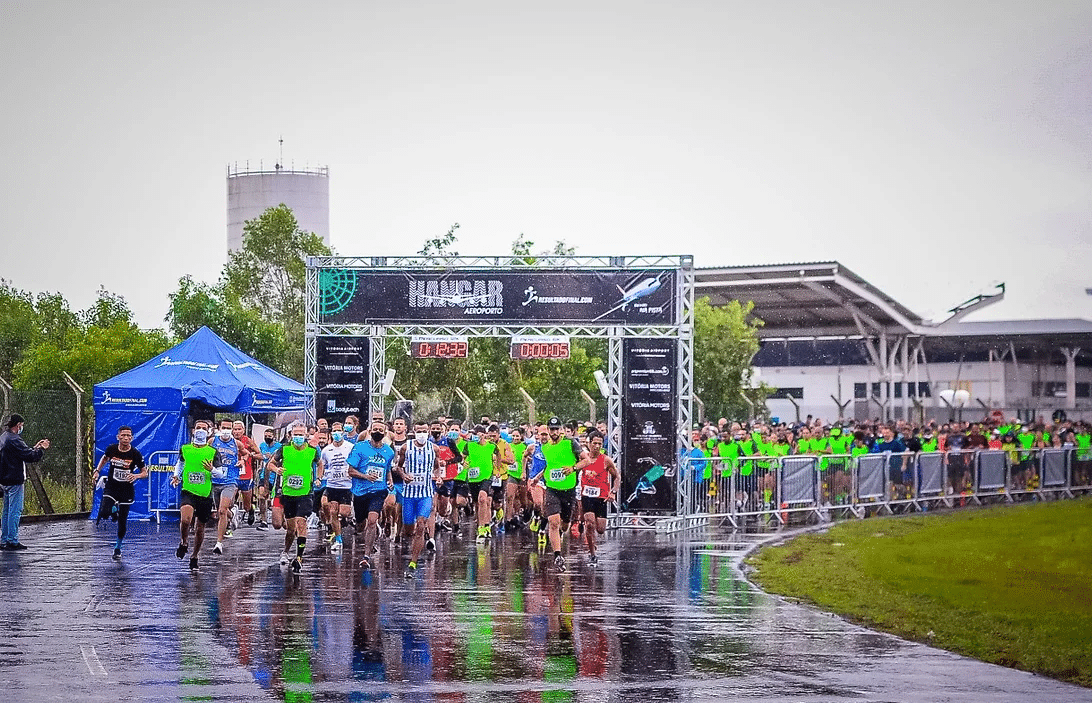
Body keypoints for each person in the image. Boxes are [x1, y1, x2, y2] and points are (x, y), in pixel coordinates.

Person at [267, 424, 323, 573]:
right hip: (287, 492)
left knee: (301, 523)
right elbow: (270, 464)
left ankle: (299, 558)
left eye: (301, 434)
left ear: (306, 435)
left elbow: (320, 463)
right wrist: (277, 469)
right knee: (290, 528)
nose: (299, 437)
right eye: (296, 434)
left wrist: (319, 478)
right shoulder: (284, 449)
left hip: (305, 493)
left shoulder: (312, 450)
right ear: (291, 435)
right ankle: (285, 551)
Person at [538, 416, 588, 572]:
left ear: (560, 429)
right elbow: (548, 466)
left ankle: (560, 532)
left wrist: (573, 468)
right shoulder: (544, 447)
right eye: (551, 429)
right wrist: (537, 478)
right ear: (548, 430)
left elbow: (586, 461)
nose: (554, 432)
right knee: (553, 521)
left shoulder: (570, 443)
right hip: (552, 488)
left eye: (556, 429)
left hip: (569, 489)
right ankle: (557, 556)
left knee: (564, 524)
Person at [347, 419, 395, 569]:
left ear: (385, 433)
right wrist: (366, 476)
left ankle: (366, 555)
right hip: (360, 491)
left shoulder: (389, 451)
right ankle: (366, 531)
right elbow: (350, 471)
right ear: (369, 432)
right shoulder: (359, 447)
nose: (377, 433)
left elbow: (387, 469)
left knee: (373, 520)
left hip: (378, 491)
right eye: (375, 430)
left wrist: (390, 480)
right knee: (361, 524)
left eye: (381, 430)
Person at [93, 425, 148, 558]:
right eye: (123, 435)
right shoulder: (112, 449)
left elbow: (144, 473)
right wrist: (97, 471)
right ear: (118, 437)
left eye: (128, 436)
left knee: (123, 521)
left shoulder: (135, 454)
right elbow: (105, 458)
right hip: (112, 486)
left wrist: (136, 476)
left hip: (126, 489)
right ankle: (113, 511)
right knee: (104, 512)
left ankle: (118, 547)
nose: (126, 438)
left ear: (132, 438)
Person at [394, 421, 439, 578]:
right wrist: (403, 475)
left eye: (424, 431)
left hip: (425, 494)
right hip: (409, 494)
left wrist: (438, 477)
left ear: (428, 432)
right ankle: (414, 539)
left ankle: (413, 563)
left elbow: (437, 466)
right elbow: (398, 467)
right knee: (409, 530)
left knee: (420, 524)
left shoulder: (434, 449)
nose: (422, 434)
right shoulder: (406, 448)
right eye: (419, 431)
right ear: (414, 431)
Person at [171, 422, 219, 571]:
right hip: (188, 490)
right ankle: (184, 542)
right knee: (185, 519)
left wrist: (212, 470)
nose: (201, 431)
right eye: (198, 428)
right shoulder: (185, 448)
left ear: (209, 432)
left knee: (200, 528)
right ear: (193, 430)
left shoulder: (212, 451)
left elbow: (221, 473)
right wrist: (176, 476)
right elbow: (180, 463)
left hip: (205, 493)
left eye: (204, 429)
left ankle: (194, 556)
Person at [0, 414, 49, 550]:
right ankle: (12, 540)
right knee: (15, 511)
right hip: (14, 479)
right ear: (18, 425)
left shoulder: (4, 437)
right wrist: (41, 449)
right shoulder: (14, 439)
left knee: (6, 511)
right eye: (21, 425)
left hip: (4, 479)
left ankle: (4, 539)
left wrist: (34, 448)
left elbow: (21, 453)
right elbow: (29, 456)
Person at [577, 431, 618, 567]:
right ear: (588, 444)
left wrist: (613, 492)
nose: (597, 446)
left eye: (599, 443)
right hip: (586, 496)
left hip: (601, 497)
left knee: (600, 529)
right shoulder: (583, 459)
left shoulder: (606, 460)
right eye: (594, 443)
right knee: (590, 524)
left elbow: (617, 476)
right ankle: (592, 554)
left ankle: (592, 542)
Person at [210, 418, 246, 556]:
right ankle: (233, 515)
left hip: (230, 480)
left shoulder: (236, 443)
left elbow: (247, 454)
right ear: (219, 428)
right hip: (215, 480)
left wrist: (242, 460)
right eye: (224, 427)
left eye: (228, 427)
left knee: (222, 510)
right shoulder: (212, 441)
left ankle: (219, 543)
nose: (226, 430)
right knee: (221, 512)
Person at [320, 421, 354, 553]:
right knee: (333, 511)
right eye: (334, 431)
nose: (337, 434)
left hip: (346, 485)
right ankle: (338, 540)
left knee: (343, 512)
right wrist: (320, 477)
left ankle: (347, 519)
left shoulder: (350, 447)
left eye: (339, 431)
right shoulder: (326, 450)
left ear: (343, 432)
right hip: (332, 484)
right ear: (331, 433)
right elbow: (322, 465)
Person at [233, 420, 262, 526]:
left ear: (243, 430)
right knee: (230, 501)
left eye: (239, 429)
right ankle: (229, 523)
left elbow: (260, 455)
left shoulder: (248, 441)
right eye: (235, 429)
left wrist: (250, 455)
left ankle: (251, 510)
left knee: (246, 505)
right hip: (232, 475)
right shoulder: (228, 441)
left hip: (246, 475)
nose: (237, 432)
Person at [257, 428, 281, 530]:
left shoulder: (279, 446)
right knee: (262, 495)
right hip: (265, 474)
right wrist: (261, 456)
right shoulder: (262, 445)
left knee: (275, 498)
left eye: (269, 436)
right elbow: (259, 455)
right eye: (266, 436)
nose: (267, 438)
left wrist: (273, 457)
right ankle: (264, 520)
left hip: (275, 475)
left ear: (274, 437)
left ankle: (281, 518)